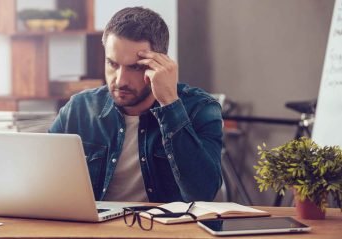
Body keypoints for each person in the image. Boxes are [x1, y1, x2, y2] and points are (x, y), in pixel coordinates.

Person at [49, 7, 223, 203]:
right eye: (112, 64)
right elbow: (43, 178)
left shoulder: (201, 108)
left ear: (160, 64)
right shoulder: (80, 108)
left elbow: (203, 193)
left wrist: (170, 104)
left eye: (135, 67)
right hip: (96, 230)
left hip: (165, 231)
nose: (120, 80)